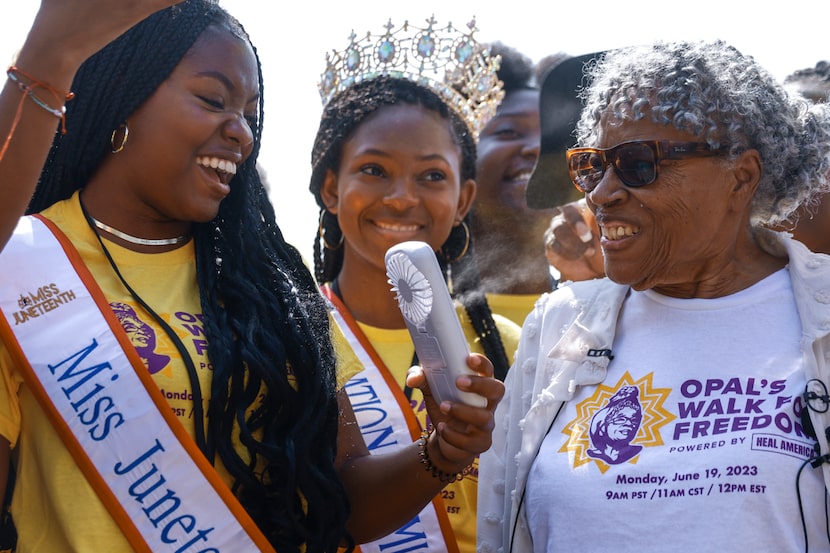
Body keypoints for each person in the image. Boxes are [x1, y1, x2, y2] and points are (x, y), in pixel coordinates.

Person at [0, 3, 503, 552]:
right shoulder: (20, 266)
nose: (240, 131)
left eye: (250, 114)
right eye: (213, 100)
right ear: (126, 96)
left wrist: (441, 452)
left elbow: (341, 504)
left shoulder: (275, 292)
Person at [477, 39, 830, 553]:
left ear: (742, 176)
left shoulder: (821, 319)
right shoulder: (559, 326)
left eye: (639, 163)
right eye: (593, 165)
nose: (601, 193)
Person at [310, 17, 516, 553]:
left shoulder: (510, 349)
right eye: (374, 170)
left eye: (431, 176)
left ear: (465, 198)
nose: (402, 198)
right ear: (332, 188)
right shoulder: (293, 335)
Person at [471, 43, 567, 326]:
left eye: (554, 137)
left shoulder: (616, 303)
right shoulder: (415, 312)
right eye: (509, 131)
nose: (538, 148)